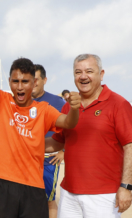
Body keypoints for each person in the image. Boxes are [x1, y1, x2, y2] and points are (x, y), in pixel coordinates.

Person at [0, 18, 81, 218]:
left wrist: (74, 109)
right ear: (9, 82)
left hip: (33, 187)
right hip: (3, 185)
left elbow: (68, 123)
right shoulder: (1, 101)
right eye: (15, 81)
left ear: (34, 83)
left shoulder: (44, 109)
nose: (20, 86)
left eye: (25, 81)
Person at [45, 54, 132, 218]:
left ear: (101, 74)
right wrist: (26, 142)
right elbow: (58, 142)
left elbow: (130, 145)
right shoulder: (69, 108)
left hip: (104, 196)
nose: (83, 76)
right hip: (69, 194)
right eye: (78, 72)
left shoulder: (118, 104)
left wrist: (127, 186)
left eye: (89, 71)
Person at [32, 64, 66, 218]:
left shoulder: (57, 102)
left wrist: (63, 152)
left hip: (48, 159)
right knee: (29, 199)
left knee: (49, 200)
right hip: (26, 158)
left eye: (36, 79)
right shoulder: (21, 102)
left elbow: (71, 128)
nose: (32, 82)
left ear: (44, 80)